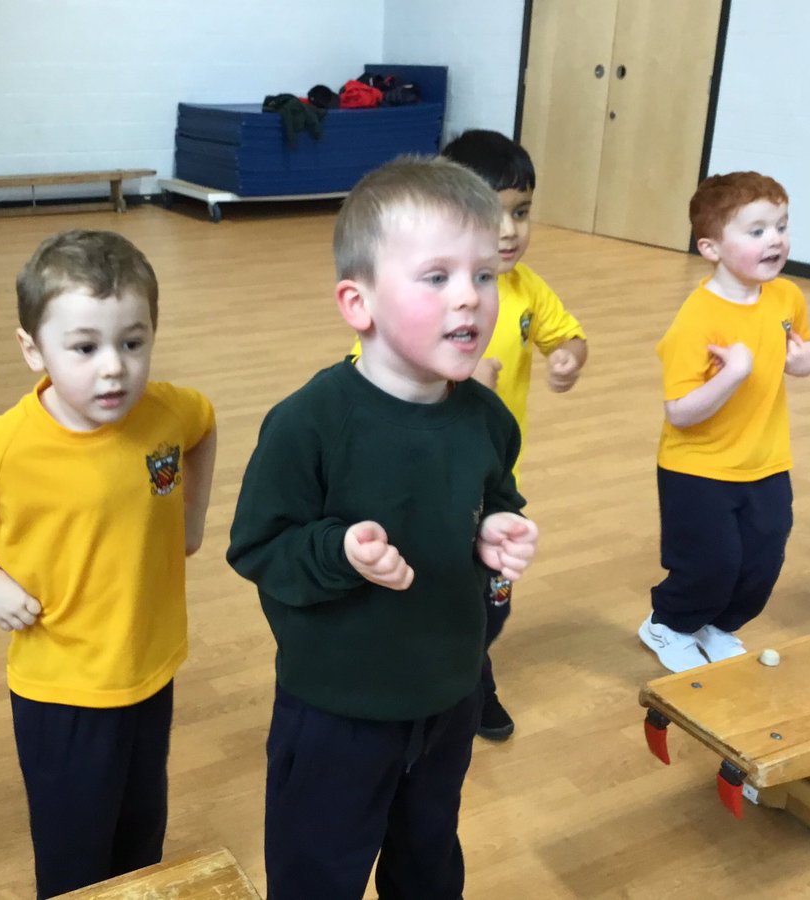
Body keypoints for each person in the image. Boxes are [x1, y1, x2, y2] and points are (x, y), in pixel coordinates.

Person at [228, 156, 539, 900]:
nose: (470, 298)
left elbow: (495, 494)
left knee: (428, 857)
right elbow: (259, 548)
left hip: (448, 692)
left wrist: (495, 527)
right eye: (436, 277)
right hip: (338, 709)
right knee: (317, 872)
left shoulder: (485, 417)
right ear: (357, 302)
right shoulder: (309, 424)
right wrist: (338, 551)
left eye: (484, 275)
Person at [0, 229, 216, 898]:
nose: (113, 368)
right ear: (33, 349)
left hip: (150, 668)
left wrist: (191, 516)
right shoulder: (8, 447)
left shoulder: (165, 411)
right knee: (76, 852)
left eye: (133, 343)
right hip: (62, 690)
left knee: (140, 837)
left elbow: (203, 424)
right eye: (84, 348)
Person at [440, 129, 588, 740]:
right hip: (435, 487)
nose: (509, 231)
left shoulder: (527, 291)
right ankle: (457, 687)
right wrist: (458, 379)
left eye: (521, 213)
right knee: (446, 594)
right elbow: (368, 377)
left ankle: (473, 668)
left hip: (497, 485)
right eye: (490, 214)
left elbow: (568, 335)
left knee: (493, 600)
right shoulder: (435, 293)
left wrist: (569, 358)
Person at [640, 171, 810, 673]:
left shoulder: (786, 298)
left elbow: (803, 349)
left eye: (781, 226)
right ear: (711, 247)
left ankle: (716, 626)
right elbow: (680, 410)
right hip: (697, 468)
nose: (775, 239)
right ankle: (667, 624)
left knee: (763, 562)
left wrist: (802, 363)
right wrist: (733, 373)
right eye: (756, 230)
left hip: (766, 460)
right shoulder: (697, 318)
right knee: (711, 564)